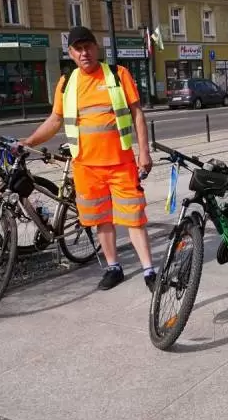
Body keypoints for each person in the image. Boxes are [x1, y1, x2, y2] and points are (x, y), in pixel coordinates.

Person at [21, 26, 156, 291]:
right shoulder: (67, 83)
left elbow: (137, 113)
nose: (84, 53)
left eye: (88, 47)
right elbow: (55, 120)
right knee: (101, 219)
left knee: (134, 218)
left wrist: (144, 151)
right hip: (86, 167)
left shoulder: (117, 75)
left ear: (96, 48)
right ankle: (113, 267)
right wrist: (29, 141)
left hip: (121, 164)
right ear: (71, 53)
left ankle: (149, 271)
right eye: (78, 49)